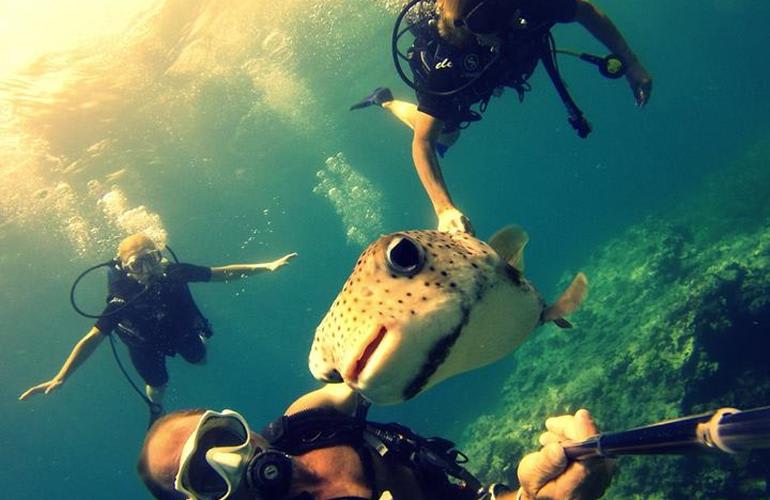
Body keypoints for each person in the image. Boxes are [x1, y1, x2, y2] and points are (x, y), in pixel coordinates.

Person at [350, 0, 652, 234]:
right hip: (462, 82)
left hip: (502, 68)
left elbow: (584, 11)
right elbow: (423, 142)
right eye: (486, 19)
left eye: (502, 8)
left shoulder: (527, 7)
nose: (503, 25)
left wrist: (632, 63)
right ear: (461, 25)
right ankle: (385, 101)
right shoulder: (446, 63)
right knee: (445, 135)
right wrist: (444, 209)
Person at [138, 384, 612, 499]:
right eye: (202, 473)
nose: (231, 461)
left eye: (220, 437)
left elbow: (354, 377)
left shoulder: (308, 423)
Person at [19, 233, 297, 421]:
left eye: (151, 259)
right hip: (144, 345)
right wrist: (61, 377)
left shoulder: (174, 272)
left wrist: (266, 266)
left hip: (180, 329)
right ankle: (156, 407)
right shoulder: (121, 299)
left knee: (200, 360)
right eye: (137, 265)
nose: (148, 270)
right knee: (157, 383)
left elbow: (219, 273)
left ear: (159, 256)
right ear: (126, 269)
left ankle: (200, 337)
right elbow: (93, 338)